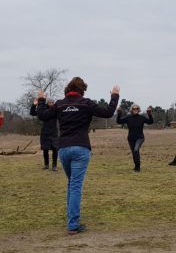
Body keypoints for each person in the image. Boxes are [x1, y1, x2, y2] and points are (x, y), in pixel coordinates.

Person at [36, 77, 120, 234]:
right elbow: (108, 113)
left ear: (68, 89)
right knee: (75, 186)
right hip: (81, 149)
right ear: (82, 90)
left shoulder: (60, 104)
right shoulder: (86, 103)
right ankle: (73, 224)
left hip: (64, 149)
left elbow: (42, 115)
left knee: (71, 184)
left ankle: (71, 218)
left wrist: (41, 99)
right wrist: (114, 96)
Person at [116, 104, 154, 172]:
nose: (135, 110)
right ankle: (136, 167)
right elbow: (119, 121)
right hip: (131, 138)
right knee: (134, 152)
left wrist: (149, 114)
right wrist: (119, 113)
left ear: (138, 110)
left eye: (137, 108)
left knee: (136, 150)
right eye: (134, 109)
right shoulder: (128, 118)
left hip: (140, 138)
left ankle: (138, 168)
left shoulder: (142, 118)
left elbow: (150, 122)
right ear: (131, 110)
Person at [30, 98, 60, 170]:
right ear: (47, 103)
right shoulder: (43, 111)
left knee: (55, 149)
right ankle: (46, 165)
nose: (51, 103)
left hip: (54, 132)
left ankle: (54, 165)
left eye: (52, 102)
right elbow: (32, 113)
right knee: (45, 149)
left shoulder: (56, 110)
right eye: (50, 102)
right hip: (45, 132)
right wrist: (34, 105)